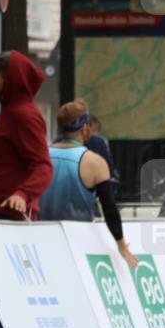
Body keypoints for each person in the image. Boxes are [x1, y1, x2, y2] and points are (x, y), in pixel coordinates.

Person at [39, 100, 138, 267]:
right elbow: (109, 209)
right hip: (78, 243)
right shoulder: (94, 162)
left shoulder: (42, 156)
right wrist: (121, 244)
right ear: (85, 128)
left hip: (43, 238)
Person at [0, 50, 54, 221]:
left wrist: (22, 194)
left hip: (6, 214)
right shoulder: (12, 112)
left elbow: (43, 166)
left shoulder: (23, 115)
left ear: (10, 79)